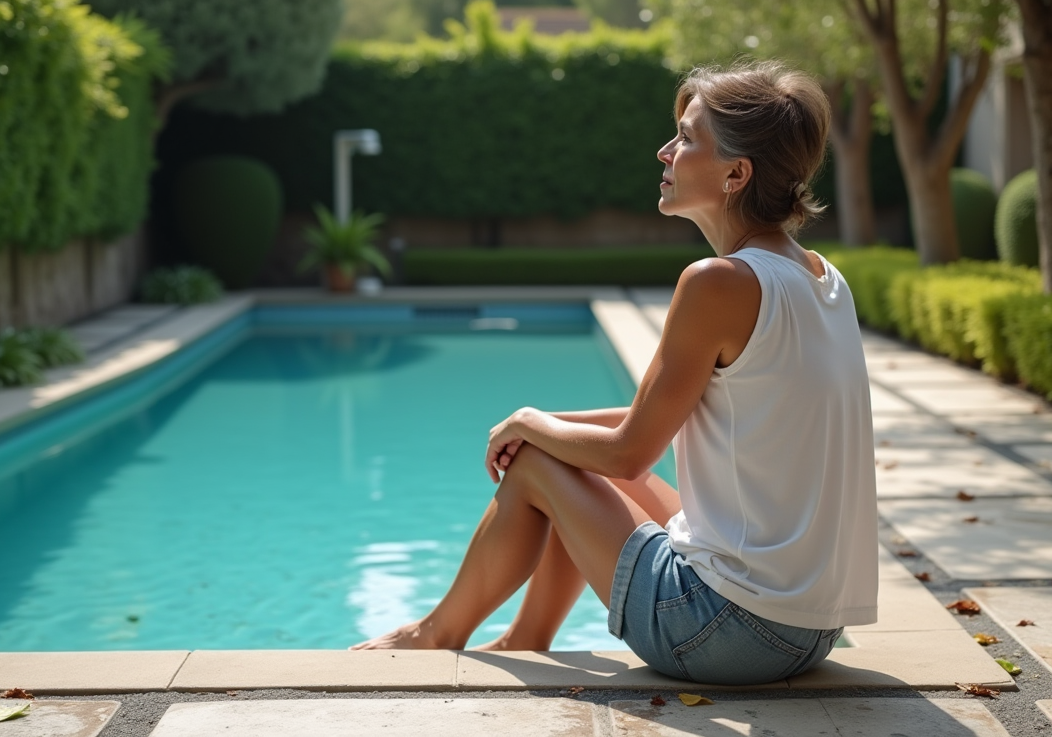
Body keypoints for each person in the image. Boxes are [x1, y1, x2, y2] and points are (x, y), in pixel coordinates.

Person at [351, 61, 878, 685]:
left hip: (726, 631)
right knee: (556, 451)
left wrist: (528, 427)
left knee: (541, 463)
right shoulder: (821, 277)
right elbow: (659, 422)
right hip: (808, 630)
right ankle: (524, 639)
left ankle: (434, 635)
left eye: (685, 138)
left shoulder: (720, 283)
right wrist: (544, 425)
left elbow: (629, 454)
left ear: (737, 174)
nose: (665, 150)